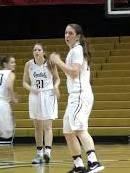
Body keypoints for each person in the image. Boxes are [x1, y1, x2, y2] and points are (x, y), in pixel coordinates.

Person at [49, 24, 104, 173]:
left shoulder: (77, 50)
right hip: (75, 95)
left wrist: (58, 61)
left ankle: (94, 162)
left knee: (79, 128)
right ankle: (79, 165)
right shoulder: (74, 51)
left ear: (78, 36)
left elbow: (74, 72)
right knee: (68, 131)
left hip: (80, 95)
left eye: (70, 33)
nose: (67, 35)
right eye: (65, 32)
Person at [23, 43, 60, 164]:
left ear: (43, 52)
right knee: (37, 126)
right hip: (35, 95)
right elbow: (24, 82)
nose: (36, 51)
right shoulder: (29, 64)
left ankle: (47, 154)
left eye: (39, 49)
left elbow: (57, 78)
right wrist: (31, 89)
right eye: (34, 50)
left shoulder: (49, 63)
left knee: (47, 126)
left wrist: (55, 86)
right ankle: (39, 154)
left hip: (48, 95)